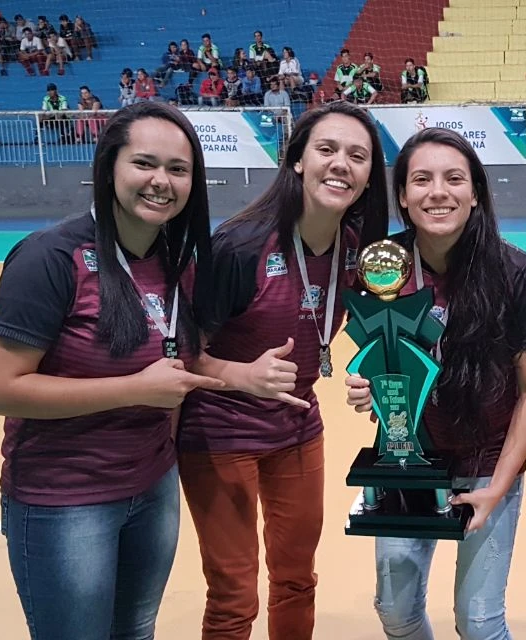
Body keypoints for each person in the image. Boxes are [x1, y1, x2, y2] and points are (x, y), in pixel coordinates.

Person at [0, 101, 223, 640]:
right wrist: (134, 389)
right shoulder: (49, 258)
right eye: (144, 163)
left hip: (153, 486)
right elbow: (0, 390)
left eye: (178, 169)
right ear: (109, 166)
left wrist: (244, 375)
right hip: (65, 499)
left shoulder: (177, 261)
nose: (161, 181)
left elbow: (178, 360)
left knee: (135, 630)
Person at [176, 100, 389, 640]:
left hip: (297, 428)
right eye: (327, 149)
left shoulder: (359, 253)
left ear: (369, 175)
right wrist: (241, 375)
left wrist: (376, 379)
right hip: (221, 434)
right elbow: (179, 354)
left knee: (296, 580)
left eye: (357, 155)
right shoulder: (241, 246)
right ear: (297, 160)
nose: (341, 163)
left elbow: (382, 332)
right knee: (234, 596)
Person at [344, 127, 526, 639]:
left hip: (486, 466)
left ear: (476, 193)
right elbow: (376, 360)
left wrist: (499, 486)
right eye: (421, 179)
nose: (437, 192)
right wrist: (367, 386)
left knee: (479, 624)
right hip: (406, 463)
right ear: (402, 195)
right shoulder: (381, 268)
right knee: (396, 614)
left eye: (454, 179)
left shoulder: (514, 272)